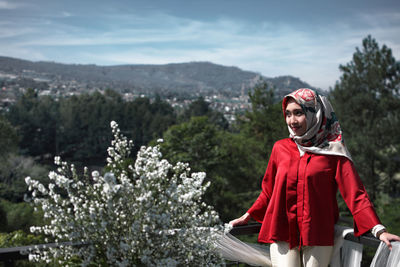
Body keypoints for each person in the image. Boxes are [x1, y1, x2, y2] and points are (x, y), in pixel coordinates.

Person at [229, 88, 400, 267]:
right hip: (282, 231)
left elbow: (355, 193)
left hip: (318, 232)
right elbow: (268, 191)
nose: (292, 120)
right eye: (288, 114)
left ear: (316, 113)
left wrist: (379, 230)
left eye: (298, 113)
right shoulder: (280, 148)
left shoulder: (334, 152)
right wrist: (248, 215)